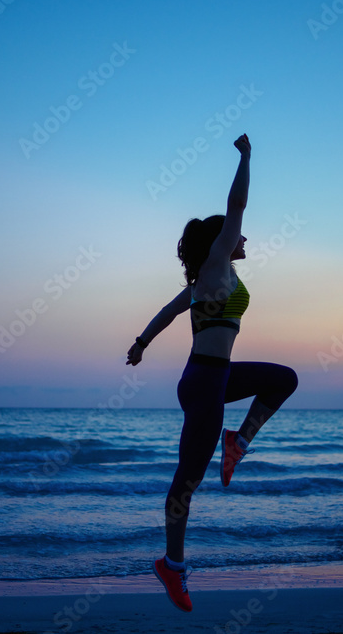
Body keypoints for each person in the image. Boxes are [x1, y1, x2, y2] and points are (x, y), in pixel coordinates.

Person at [126, 133, 298, 612]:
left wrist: (142, 343)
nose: (244, 238)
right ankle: (172, 566)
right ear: (223, 239)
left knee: (283, 378)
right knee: (188, 480)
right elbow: (237, 204)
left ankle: (237, 442)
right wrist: (246, 157)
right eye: (236, 234)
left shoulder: (214, 279)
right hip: (204, 381)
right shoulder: (217, 264)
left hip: (216, 376)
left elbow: (167, 310)